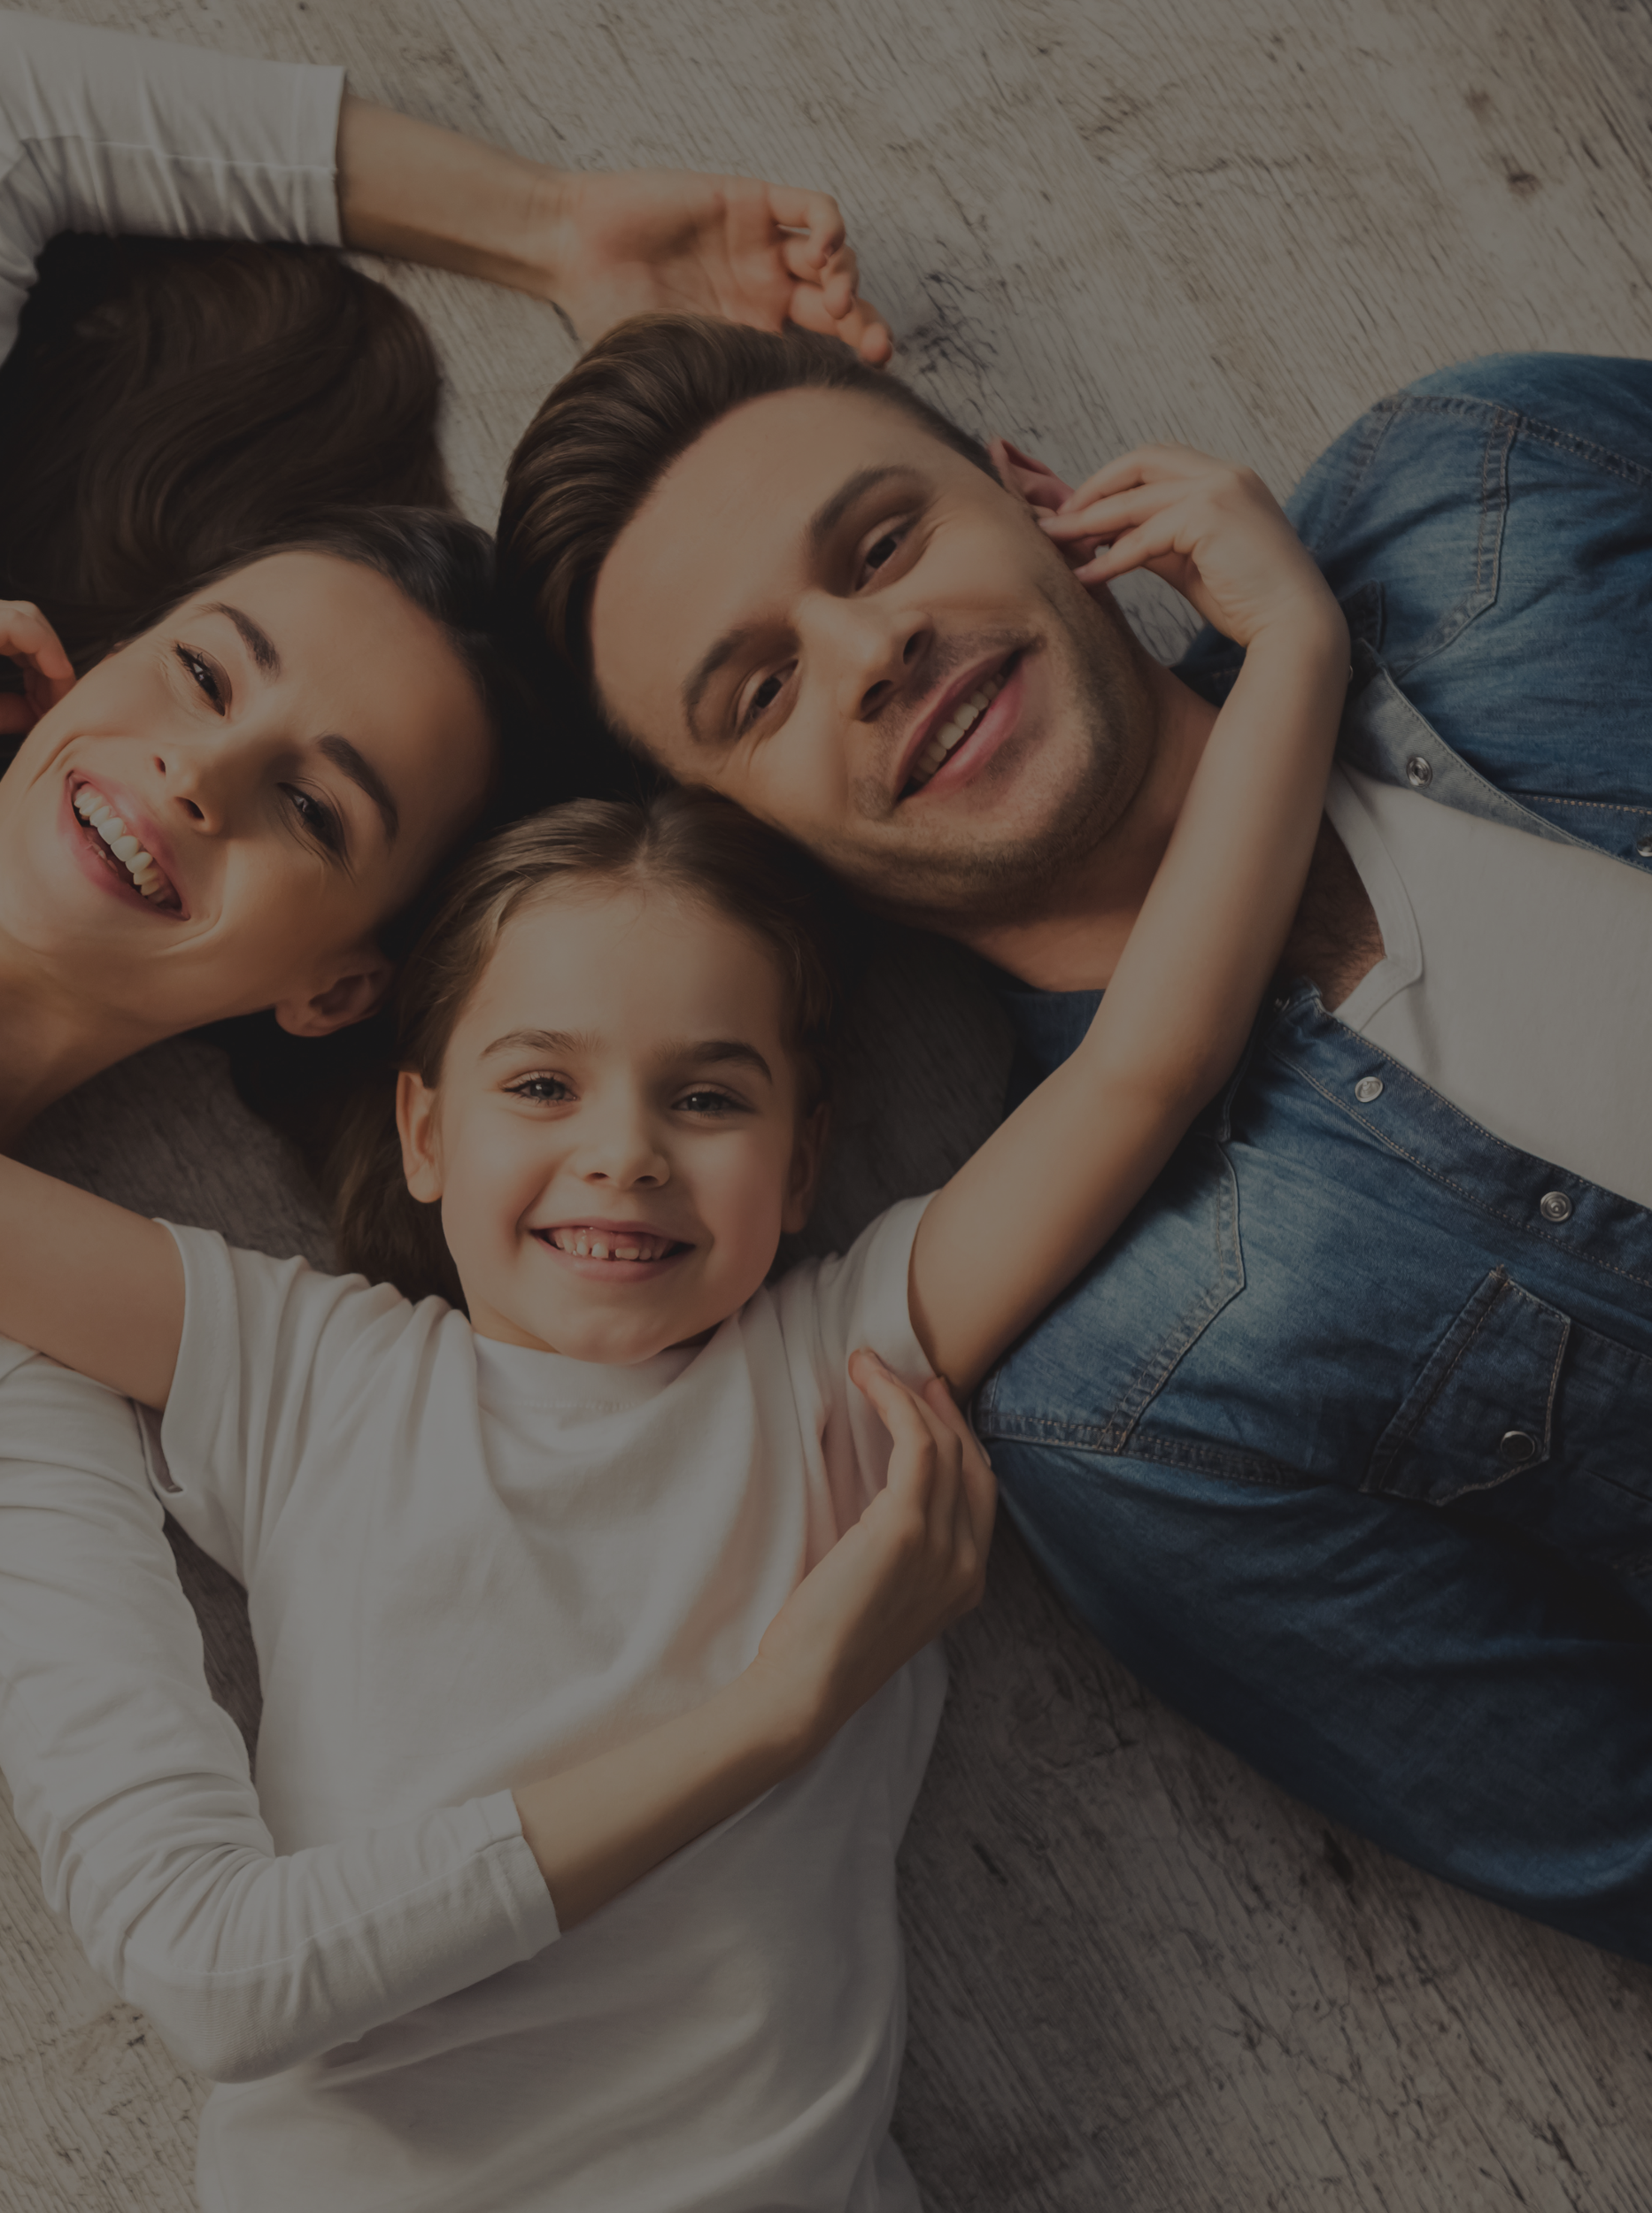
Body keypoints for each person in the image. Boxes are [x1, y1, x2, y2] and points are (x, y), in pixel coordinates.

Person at [0, 7, 912, 2093]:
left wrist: (767, 1717)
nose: (193, 774)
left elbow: (218, 1964)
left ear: (338, 989)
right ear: (88, 655)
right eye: (199, 671)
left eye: (315, 811)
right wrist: (551, 230)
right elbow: (5, 118)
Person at [0, 420, 1347, 2205]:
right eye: (541, 1086)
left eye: (707, 1095)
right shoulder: (305, 1372)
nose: (623, 1161)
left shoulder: (841, 1369)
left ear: (802, 1138)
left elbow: (1147, 1057)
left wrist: (1289, 644)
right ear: (424, 1125)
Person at [493, 315, 1652, 1958]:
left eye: (882, 543)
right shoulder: (1134, 1399)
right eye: (763, 691)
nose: (870, 649)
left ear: (1033, 494)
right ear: (772, 859)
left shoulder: (1488, 482)